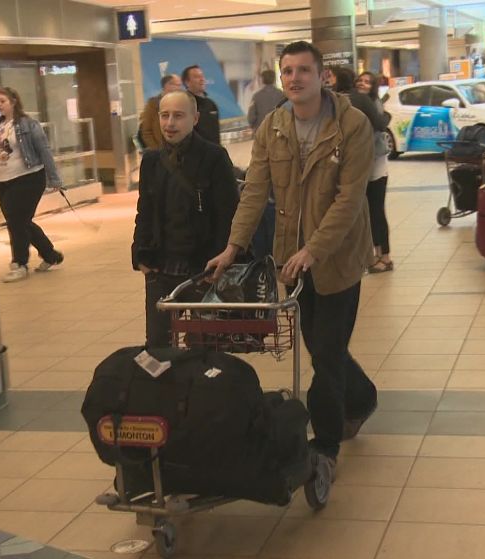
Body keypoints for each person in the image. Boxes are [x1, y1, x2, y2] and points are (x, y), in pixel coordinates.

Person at [207, 41, 378, 479]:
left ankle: (325, 445)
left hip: (339, 256)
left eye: (304, 70)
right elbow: (254, 191)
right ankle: (362, 398)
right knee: (320, 347)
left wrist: (313, 249)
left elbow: (349, 199)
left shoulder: (351, 125)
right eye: (288, 71)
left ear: (322, 76)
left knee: (327, 352)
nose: (295, 78)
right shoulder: (274, 126)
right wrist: (233, 246)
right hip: (291, 260)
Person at [132, 91, 239, 347]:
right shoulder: (151, 161)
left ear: (195, 118)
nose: (170, 123)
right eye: (164, 115)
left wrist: (219, 260)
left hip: (203, 269)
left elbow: (228, 214)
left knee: (204, 345)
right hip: (160, 269)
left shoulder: (214, 157)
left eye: (178, 116)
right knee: (158, 345)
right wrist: (140, 255)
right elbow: (144, 211)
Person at [0, 86, 64, 282]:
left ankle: (19, 264)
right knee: (20, 221)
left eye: (3, 101)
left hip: (27, 179)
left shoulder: (28, 124)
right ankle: (50, 255)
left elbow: (44, 151)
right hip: (2, 181)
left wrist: (54, 179)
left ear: (14, 102)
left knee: (16, 223)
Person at [355, 71, 394, 274]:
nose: (362, 84)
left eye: (367, 82)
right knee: (370, 213)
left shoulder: (374, 105)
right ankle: (376, 255)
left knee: (377, 212)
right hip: (367, 165)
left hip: (376, 167)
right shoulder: (361, 104)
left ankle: (385, 256)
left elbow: (377, 129)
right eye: (360, 80)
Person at [138, 74, 183, 151]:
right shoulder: (153, 104)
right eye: (177, 85)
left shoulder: (183, 103)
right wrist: (157, 150)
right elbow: (146, 131)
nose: (179, 88)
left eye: (180, 85)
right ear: (167, 85)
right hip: (160, 150)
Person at [182, 65, 221, 145]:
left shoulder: (211, 104)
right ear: (187, 82)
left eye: (202, 76)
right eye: (196, 77)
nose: (202, 79)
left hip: (215, 150)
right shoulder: (183, 105)